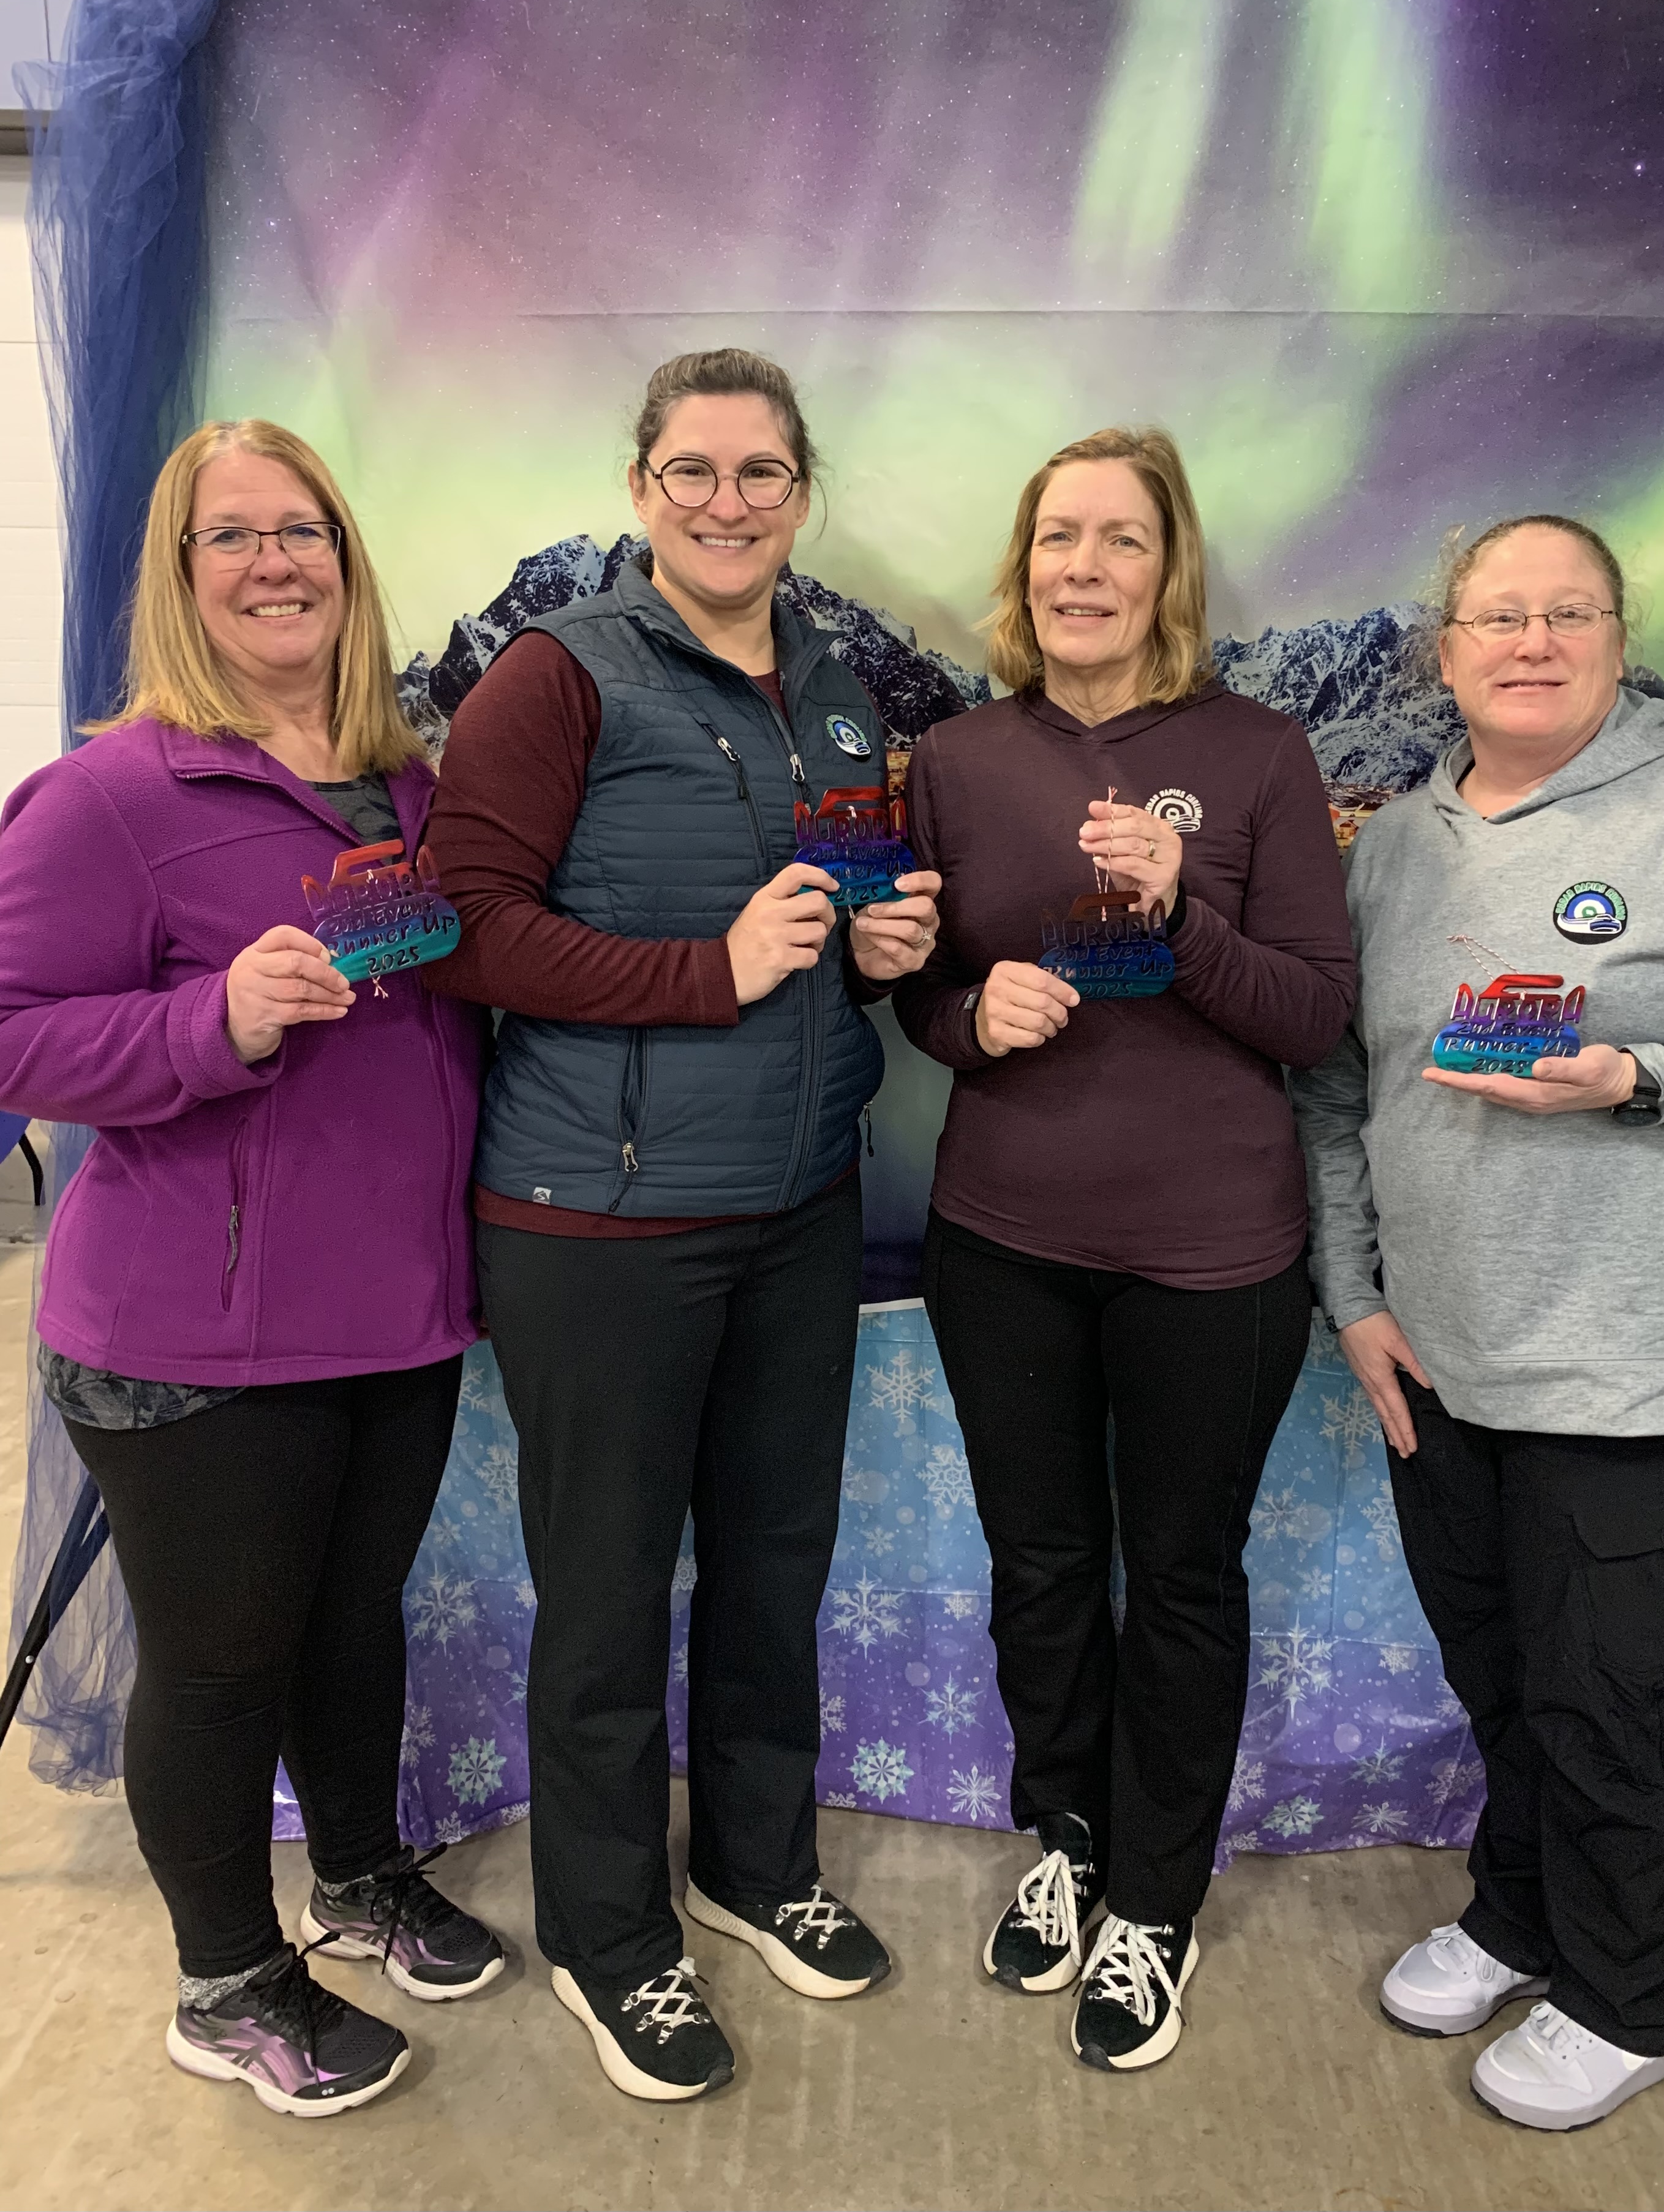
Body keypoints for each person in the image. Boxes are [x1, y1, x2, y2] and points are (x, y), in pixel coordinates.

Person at [423, 347, 941, 2102]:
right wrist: (703, 974)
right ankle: (606, 1932)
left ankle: (753, 1863)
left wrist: (880, 950)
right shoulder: (559, 674)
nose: (729, 503)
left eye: (761, 473)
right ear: (643, 485)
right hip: (603, 1217)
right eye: (695, 471)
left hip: (798, 1202)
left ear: (803, 491)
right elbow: (465, 924)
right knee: (607, 1591)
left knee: (777, 1562)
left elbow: (834, 919)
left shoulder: (839, 688)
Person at [1292, 514, 1664, 2130]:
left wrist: (1644, 1079)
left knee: (1604, 1701)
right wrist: (1354, 1297)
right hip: (1438, 1358)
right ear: (1446, 648)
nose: (1532, 642)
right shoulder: (1392, 849)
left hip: (1637, 1367)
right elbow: (1340, 1095)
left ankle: (1630, 1994)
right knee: (1503, 1675)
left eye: (1568, 613)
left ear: (1617, 636)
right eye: (1499, 616)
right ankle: (1523, 1912)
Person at [0, 419, 504, 2118]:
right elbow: (12, 1032)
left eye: (304, 530)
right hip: (192, 1334)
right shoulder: (111, 797)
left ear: (347, 561)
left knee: (352, 1626)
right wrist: (206, 1020)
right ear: (180, 573)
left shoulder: (417, 790)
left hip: (398, 1307)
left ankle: (356, 1878)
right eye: (233, 535)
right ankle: (223, 1980)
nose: (276, 561)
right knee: (221, 1666)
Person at [892, 427, 1356, 2072]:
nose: (1083, 567)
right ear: (1023, 568)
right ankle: (1069, 1836)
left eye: (1121, 539)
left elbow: (1316, 1013)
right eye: (1058, 537)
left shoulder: (1261, 752)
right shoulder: (955, 757)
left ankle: (1157, 1896)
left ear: (1171, 572)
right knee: (1039, 1564)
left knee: (1180, 1576)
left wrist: (1184, 918)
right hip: (1002, 1237)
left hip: (1212, 1256)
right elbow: (917, 985)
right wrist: (969, 1015)